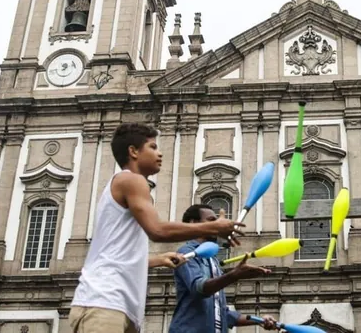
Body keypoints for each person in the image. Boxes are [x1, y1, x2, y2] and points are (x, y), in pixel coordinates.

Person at [70, 123, 244, 333]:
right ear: (133, 151)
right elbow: (157, 231)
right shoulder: (132, 180)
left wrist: (156, 260)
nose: (160, 153)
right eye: (152, 147)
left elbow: (114, 254)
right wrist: (214, 227)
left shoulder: (128, 185)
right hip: (104, 301)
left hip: (118, 305)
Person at [169, 204, 278, 332]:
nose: (218, 225)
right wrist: (234, 275)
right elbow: (199, 288)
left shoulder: (212, 260)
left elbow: (223, 315)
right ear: (194, 223)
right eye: (211, 220)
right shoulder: (186, 252)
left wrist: (258, 320)